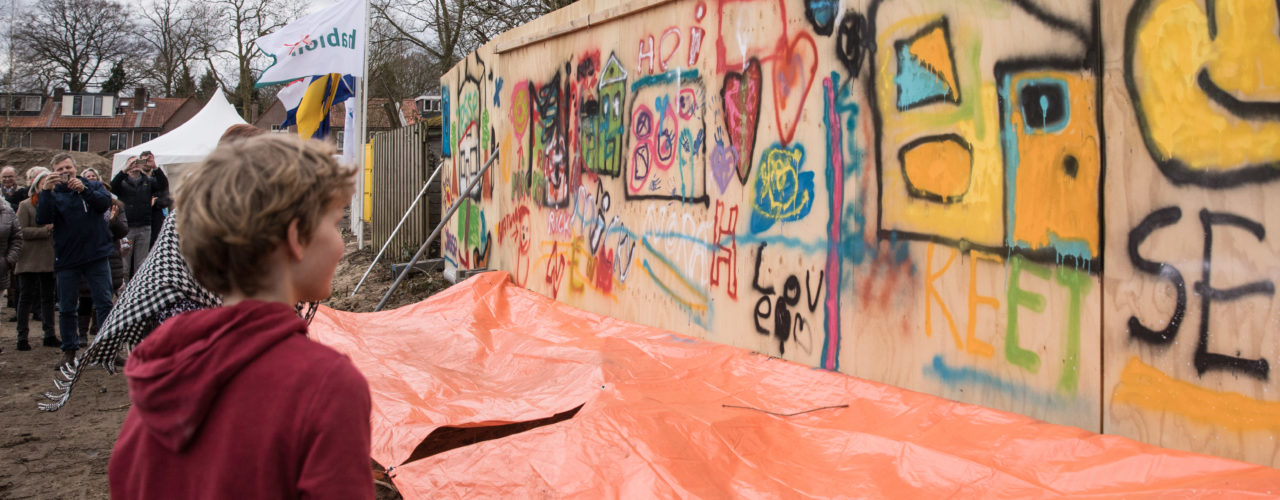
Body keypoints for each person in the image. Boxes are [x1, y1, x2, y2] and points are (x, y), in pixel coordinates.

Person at [109, 134, 371, 498]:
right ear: (297, 237)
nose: (341, 244)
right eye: (336, 224)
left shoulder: (163, 372)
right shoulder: (327, 386)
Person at [37, 153, 115, 367]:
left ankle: (107, 349)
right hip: (67, 257)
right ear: (54, 172)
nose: (65, 172)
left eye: (68, 167)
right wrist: (46, 191)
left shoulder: (92, 185)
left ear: (75, 167)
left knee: (104, 302)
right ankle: (69, 351)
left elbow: (104, 204)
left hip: (96, 254)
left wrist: (84, 190)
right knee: (67, 307)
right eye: (60, 169)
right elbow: (42, 218)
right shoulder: (53, 193)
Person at [15, 171, 58, 350]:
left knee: (48, 298)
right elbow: (21, 231)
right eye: (44, 182)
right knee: (26, 298)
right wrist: (45, 231)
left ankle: (49, 334)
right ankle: (22, 337)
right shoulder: (25, 205)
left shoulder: (57, 204)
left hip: (49, 258)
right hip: (29, 258)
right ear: (37, 185)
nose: (48, 186)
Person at [111, 154, 167, 280]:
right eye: (131, 163)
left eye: (137, 162)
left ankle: (138, 287)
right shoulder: (122, 182)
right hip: (127, 228)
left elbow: (163, 186)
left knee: (141, 264)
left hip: (144, 227)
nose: (134, 165)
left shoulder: (148, 181)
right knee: (125, 265)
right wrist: (124, 170)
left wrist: (155, 167)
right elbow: (112, 187)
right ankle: (124, 290)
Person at [137, 152, 171, 247]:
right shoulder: (135, 177)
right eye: (143, 161)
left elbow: (166, 197)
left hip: (156, 217)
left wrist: (155, 203)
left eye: (148, 160)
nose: (146, 163)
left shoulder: (158, 177)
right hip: (140, 218)